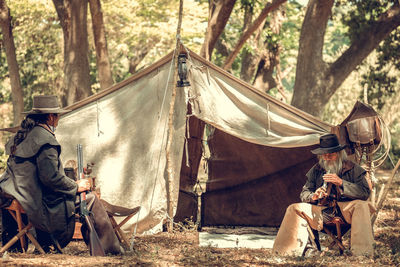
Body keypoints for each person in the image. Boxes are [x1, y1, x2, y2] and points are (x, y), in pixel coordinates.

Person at [0, 95, 122, 254]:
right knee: (90, 198)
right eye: (58, 116)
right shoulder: (45, 140)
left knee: (84, 195)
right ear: (51, 117)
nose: (58, 119)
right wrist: (76, 186)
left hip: (12, 193)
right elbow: (50, 178)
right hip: (34, 200)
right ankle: (111, 250)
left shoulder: (22, 135)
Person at [272, 133, 375, 257]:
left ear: (339, 154)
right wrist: (313, 196)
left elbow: (364, 193)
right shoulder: (316, 170)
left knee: (362, 205)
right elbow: (304, 193)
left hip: (347, 211)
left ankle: (362, 254)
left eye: (330, 154)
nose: (327, 158)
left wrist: (341, 183)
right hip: (322, 212)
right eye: (324, 155)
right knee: (294, 208)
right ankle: (284, 252)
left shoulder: (354, 169)